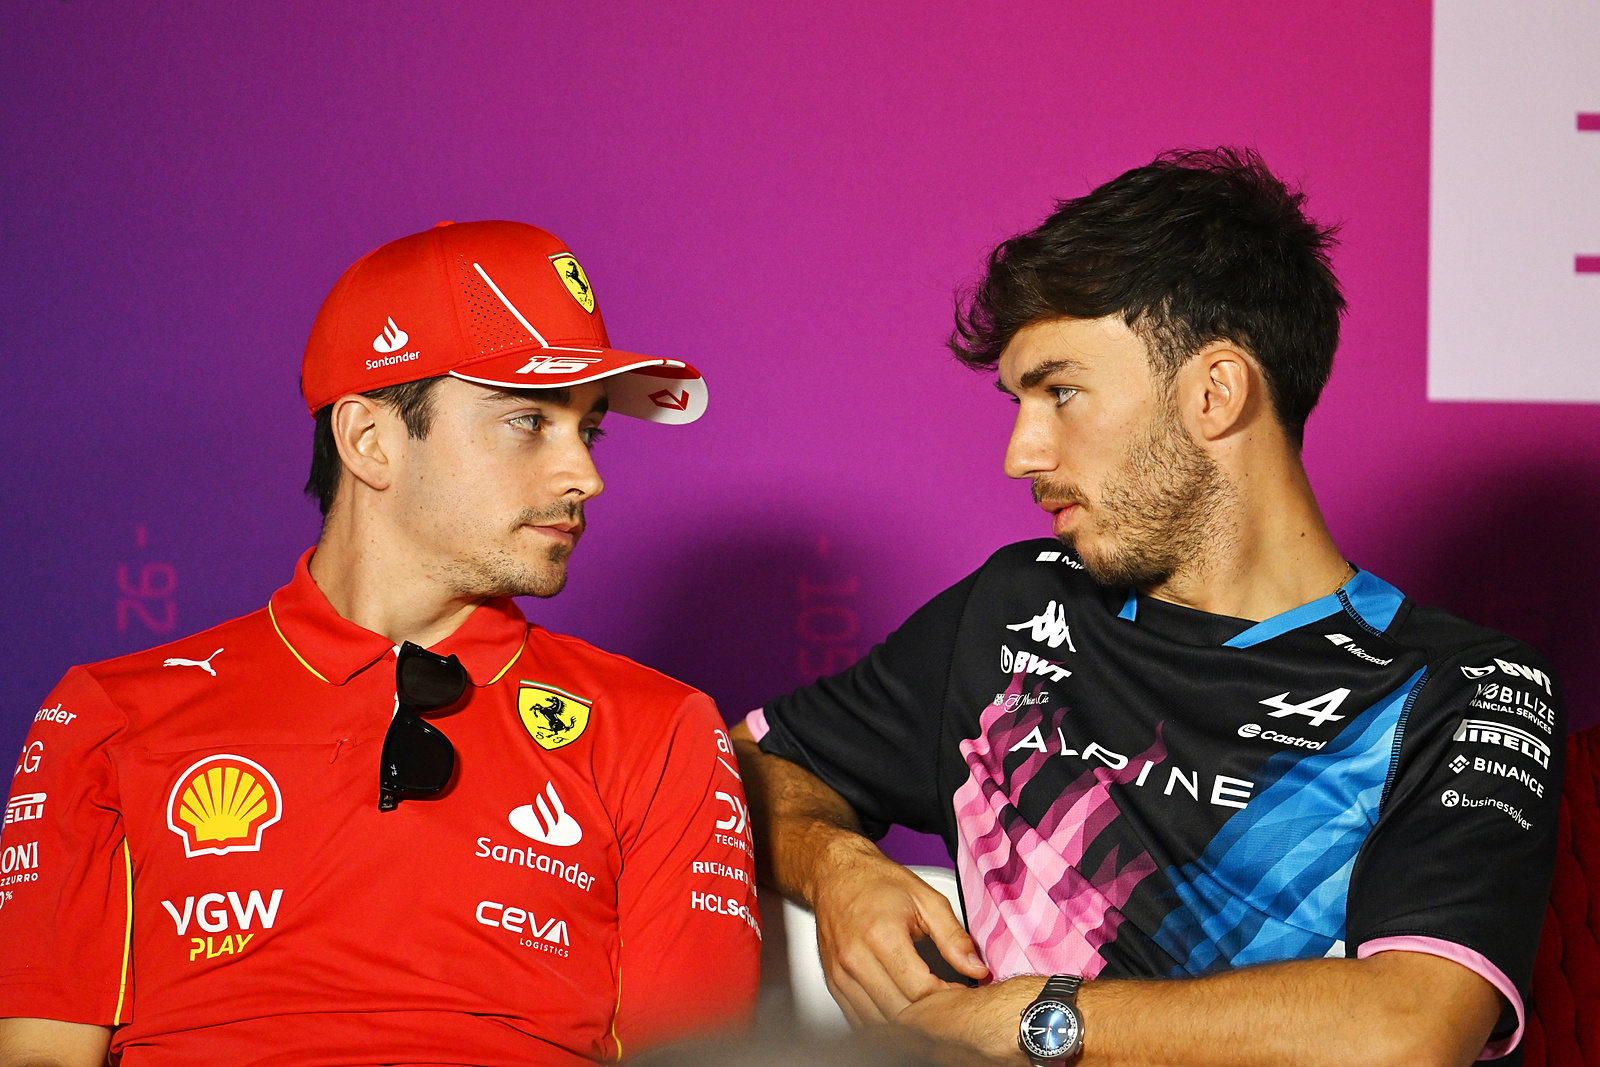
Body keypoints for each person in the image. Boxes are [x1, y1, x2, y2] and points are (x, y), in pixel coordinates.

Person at [734, 149, 1562, 1067]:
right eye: (1018, 401)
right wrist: (837, 865)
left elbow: (1406, 1029)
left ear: (1215, 392)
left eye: (1061, 391)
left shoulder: (1465, 686)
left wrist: (1032, 1021)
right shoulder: (1014, 606)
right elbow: (744, 769)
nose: (1021, 451)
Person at [0, 220, 760, 1066]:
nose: (584, 474)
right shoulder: (109, 714)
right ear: (369, 442)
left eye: (589, 430)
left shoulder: (660, 728)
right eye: (527, 422)